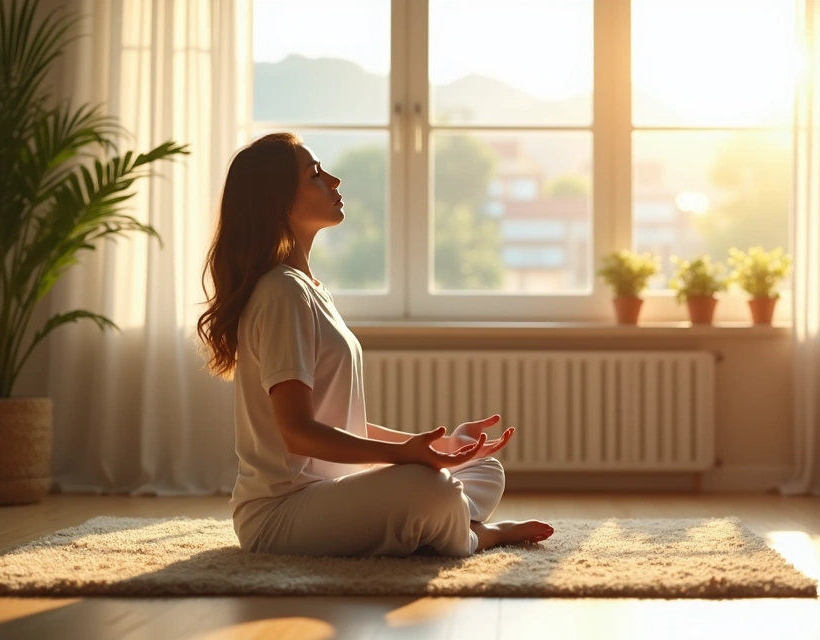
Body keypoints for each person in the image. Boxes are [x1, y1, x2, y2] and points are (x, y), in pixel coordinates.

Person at [197, 132, 553, 557]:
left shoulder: (309, 289)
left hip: (334, 494)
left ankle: (446, 522)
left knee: (480, 465)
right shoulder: (281, 293)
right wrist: (406, 457)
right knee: (428, 486)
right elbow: (297, 433)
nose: (334, 181)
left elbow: (338, 424)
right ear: (277, 201)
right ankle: (477, 534)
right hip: (279, 515)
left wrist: (437, 447)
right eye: (314, 175)